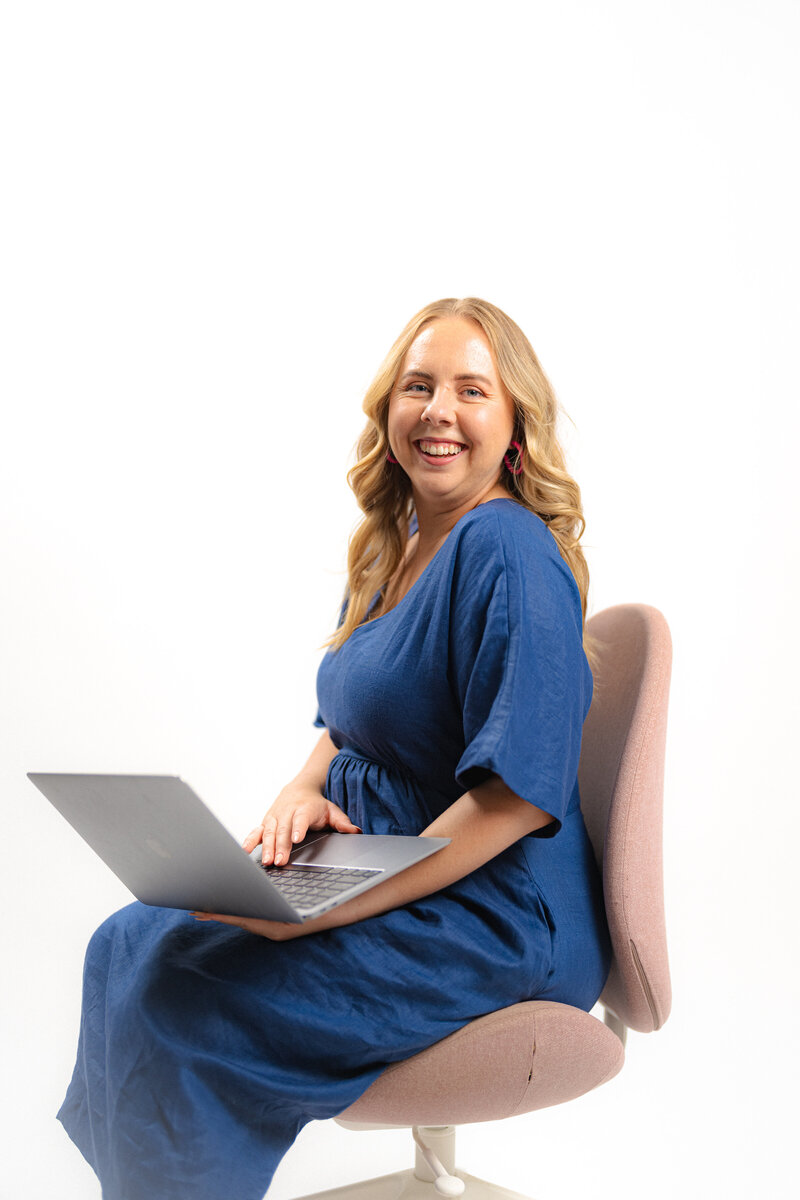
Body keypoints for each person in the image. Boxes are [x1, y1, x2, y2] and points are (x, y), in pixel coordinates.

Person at [57, 297, 612, 1200]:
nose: (439, 410)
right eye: (418, 386)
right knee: (128, 945)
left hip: (495, 914)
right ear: (388, 410)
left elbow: (518, 798)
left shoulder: (508, 550)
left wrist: (325, 910)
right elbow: (346, 723)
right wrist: (299, 790)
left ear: (514, 425)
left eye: (473, 390)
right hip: (371, 862)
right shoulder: (396, 551)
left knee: (185, 998)